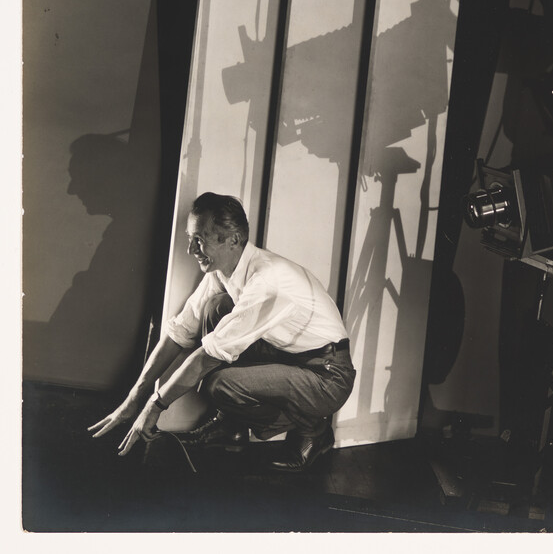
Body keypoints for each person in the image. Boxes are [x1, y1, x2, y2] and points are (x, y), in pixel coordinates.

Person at [88, 192, 355, 471]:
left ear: (233, 240)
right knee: (217, 307)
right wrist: (134, 398)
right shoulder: (222, 269)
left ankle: (313, 427)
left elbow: (205, 358)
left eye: (199, 240)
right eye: (190, 238)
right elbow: (181, 331)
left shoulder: (267, 279)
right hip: (291, 357)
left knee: (219, 384)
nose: (191, 250)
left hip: (327, 376)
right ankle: (232, 428)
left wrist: (153, 407)